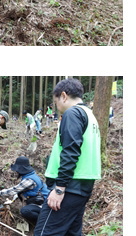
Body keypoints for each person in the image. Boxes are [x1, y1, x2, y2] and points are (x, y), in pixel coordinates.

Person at [34, 78, 101, 236]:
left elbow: (70, 151)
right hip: (83, 187)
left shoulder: (73, 113)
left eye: (56, 101)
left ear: (63, 96)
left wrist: (59, 188)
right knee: (71, 233)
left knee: (45, 233)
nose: (57, 106)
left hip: (69, 187)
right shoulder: (89, 115)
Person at [0, 156, 50, 225]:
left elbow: (12, 190)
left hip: (45, 205)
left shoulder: (29, 180)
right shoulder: (31, 175)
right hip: (42, 203)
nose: (16, 171)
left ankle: (43, 223)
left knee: (25, 211)